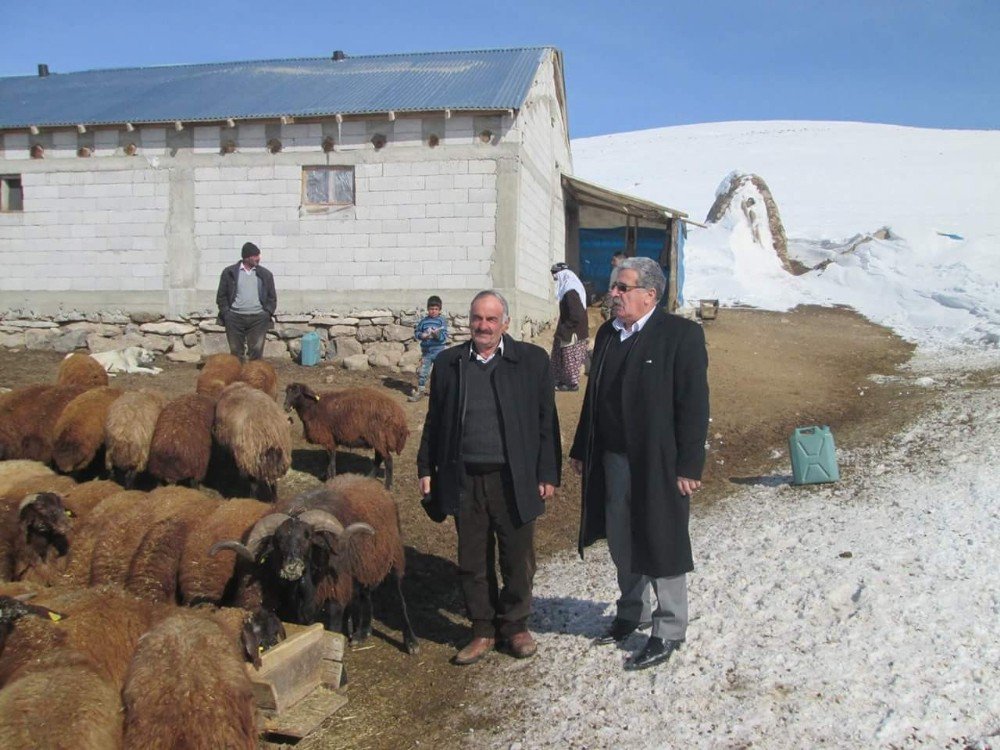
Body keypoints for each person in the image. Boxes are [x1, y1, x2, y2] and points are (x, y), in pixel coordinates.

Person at [569, 256, 709, 671]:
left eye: (622, 287)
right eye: (614, 286)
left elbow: (694, 405)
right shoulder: (608, 335)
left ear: (650, 294)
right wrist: (581, 447)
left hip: (659, 462)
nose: (613, 294)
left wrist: (689, 465)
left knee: (661, 538)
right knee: (619, 536)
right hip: (611, 458)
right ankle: (634, 610)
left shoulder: (680, 335)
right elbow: (593, 399)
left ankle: (669, 628)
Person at [417, 290, 561, 665]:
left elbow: (547, 421)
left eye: (491, 319)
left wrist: (547, 472)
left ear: (506, 323)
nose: (483, 326)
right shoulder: (450, 363)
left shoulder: (530, 361)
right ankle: (482, 629)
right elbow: (434, 422)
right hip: (464, 477)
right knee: (472, 560)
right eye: (477, 318)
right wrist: (425, 468)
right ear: (469, 321)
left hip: (514, 478)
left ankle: (514, 626)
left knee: (517, 558)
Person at [215, 242, 277, 362]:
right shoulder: (229, 273)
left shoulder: (265, 274)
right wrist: (226, 313)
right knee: (236, 351)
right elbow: (221, 296)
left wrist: (267, 313)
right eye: (255, 255)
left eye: (258, 255)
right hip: (234, 318)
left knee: (256, 351)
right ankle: (238, 376)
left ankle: (253, 377)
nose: (258, 258)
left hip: (258, 318)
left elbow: (272, 297)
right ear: (246, 257)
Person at [549, 263, 590, 392]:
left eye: (556, 278)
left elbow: (576, 315)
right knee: (559, 355)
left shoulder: (570, 291)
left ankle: (571, 383)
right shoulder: (569, 289)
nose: (555, 281)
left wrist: (566, 328)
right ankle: (561, 381)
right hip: (569, 329)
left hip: (573, 331)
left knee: (569, 357)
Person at [408, 295, 448, 402]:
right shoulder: (424, 321)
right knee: (423, 372)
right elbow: (416, 333)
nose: (433, 311)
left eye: (436, 309)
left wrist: (436, 335)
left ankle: (441, 393)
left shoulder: (442, 321)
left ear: (440, 310)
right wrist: (422, 335)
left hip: (439, 352)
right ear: (428, 309)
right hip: (427, 352)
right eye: (431, 309)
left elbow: (444, 336)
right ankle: (420, 390)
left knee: (440, 373)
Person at [600, 251, 627, 321]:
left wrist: (606, 306)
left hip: (617, 303)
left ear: (622, 260)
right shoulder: (628, 271)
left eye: (614, 260)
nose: (612, 263)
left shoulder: (617, 270)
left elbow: (611, 290)